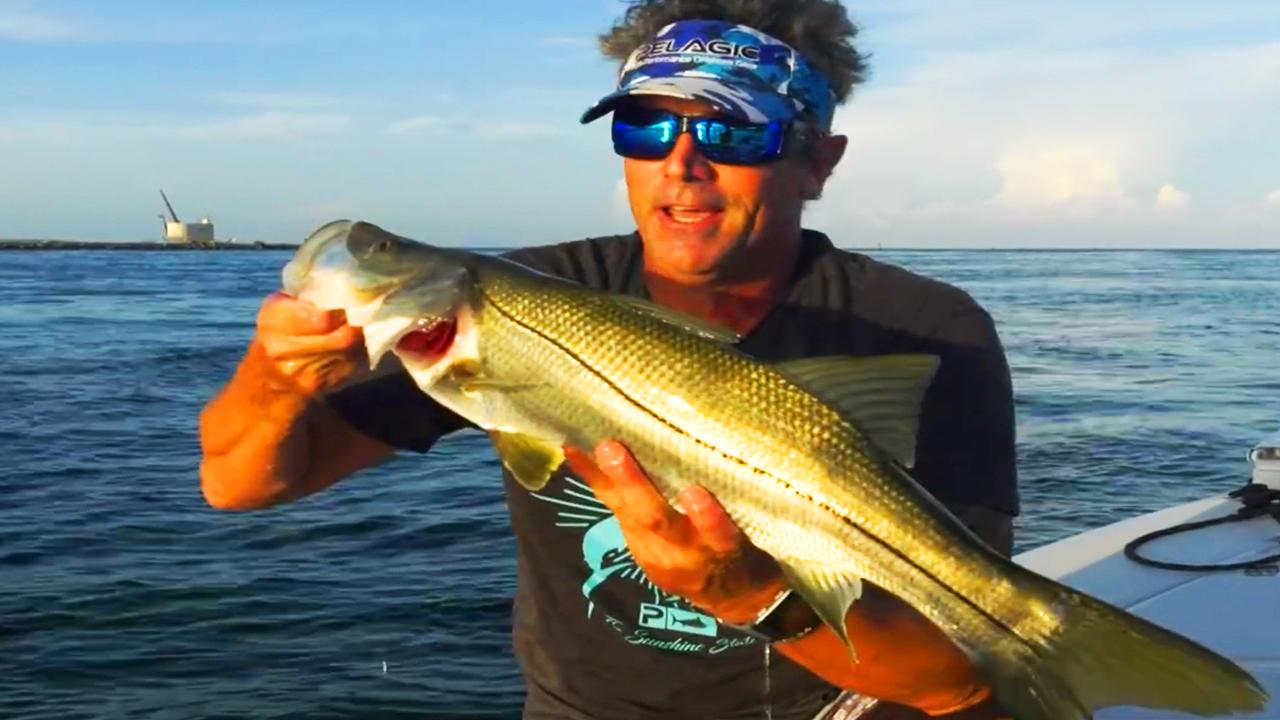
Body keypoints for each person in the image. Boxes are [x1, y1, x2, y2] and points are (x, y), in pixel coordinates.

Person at [198, 1, 1019, 718]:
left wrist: (755, 597)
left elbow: (953, 683)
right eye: (646, 125)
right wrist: (276, 380)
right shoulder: (526, 296)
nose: (681, 163)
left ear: (817, 162)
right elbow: (238, 484)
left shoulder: (922, 328)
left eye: (735, 131)